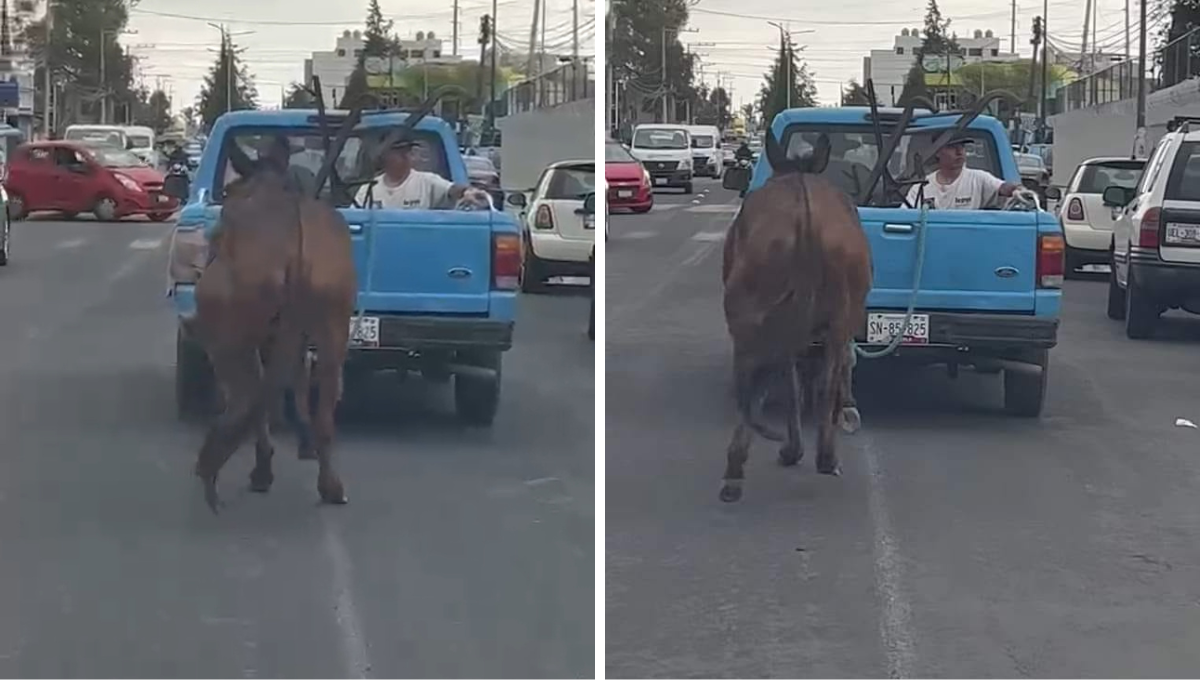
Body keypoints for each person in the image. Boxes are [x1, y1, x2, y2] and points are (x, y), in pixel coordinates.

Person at [906, 134, 1024, 210]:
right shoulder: (921, 187)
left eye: (962, 147)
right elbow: (905, 215)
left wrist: (1016, 189)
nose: (959, 152)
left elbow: (1001, 187)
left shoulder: (979, 179)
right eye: (952, 147)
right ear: (937, 152)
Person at [355, 136, 470, 210]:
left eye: (408, 150)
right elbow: (353, 218)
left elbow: (450, 190)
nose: (406, 154)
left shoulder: (426, 182)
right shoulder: (369, 189)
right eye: (399, 151)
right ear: (384, 155)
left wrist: (467, 192)